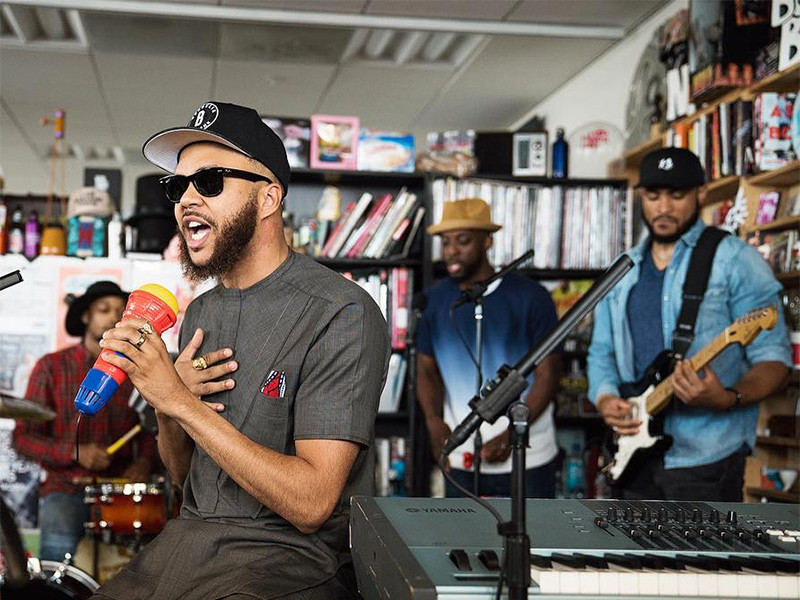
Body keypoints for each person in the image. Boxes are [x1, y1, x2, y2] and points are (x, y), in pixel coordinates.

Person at [90, 101, 390, 600]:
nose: (185, 198)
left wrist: (181, 402)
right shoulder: (202, 313)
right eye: (176, 186)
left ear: (268, 198)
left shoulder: (341, 312)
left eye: (208, 181)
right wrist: (168, 410)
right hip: (192, 545)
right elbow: (187, 481)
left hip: (286, 561)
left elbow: (312, 502)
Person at [587, 147, 791, 501]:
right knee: (629, 558)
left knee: (698, 558)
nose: (663, 208)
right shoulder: (624, 268)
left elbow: (775, 358)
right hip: (631, 452)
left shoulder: (735, 259)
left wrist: (728, 397)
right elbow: (602, 351)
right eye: (653, 196)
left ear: (701, 194)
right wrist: (606, 399)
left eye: (676, 195)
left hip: (707, 456)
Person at [417, 198, 561, 498]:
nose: (451, 251)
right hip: (463, 458)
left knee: (532, 542)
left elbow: (548, 375)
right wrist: (433, 422)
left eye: (463, 241)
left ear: (487, 242)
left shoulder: (533, 298)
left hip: (527, 455)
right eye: (445, 242)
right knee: (464, 544)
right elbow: (426, 370)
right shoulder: (434, 300)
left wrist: (512, 433)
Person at [13, 281, 155, 562]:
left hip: (119, 491)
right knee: (59, 566)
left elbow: (149, 429)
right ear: (85, 317)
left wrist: (145, 462)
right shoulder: (51, 366)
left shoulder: (137, 370)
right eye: (104, 309)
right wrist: (75, 453)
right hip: (66, 486)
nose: (114, 316)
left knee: (137, 568)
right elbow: (22, 438)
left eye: (120, 311)